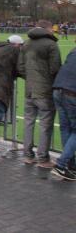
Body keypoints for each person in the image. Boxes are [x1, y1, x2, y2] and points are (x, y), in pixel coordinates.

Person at [18, 20, 62, 168]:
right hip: (44, 90)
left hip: (29, 89)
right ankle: (43, 158)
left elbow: (20, 67)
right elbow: (55, 69)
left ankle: (28, 155)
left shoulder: (26, 43)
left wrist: (30, 78)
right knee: (45, 125)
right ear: (48, 29)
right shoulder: (51, 44)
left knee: (29, 123)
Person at [51, 47, 76, 181]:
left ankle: (70, 165)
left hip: (58, 89)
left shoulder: (72, 51)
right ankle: (61, 164)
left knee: (66, 128)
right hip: (72, 93)